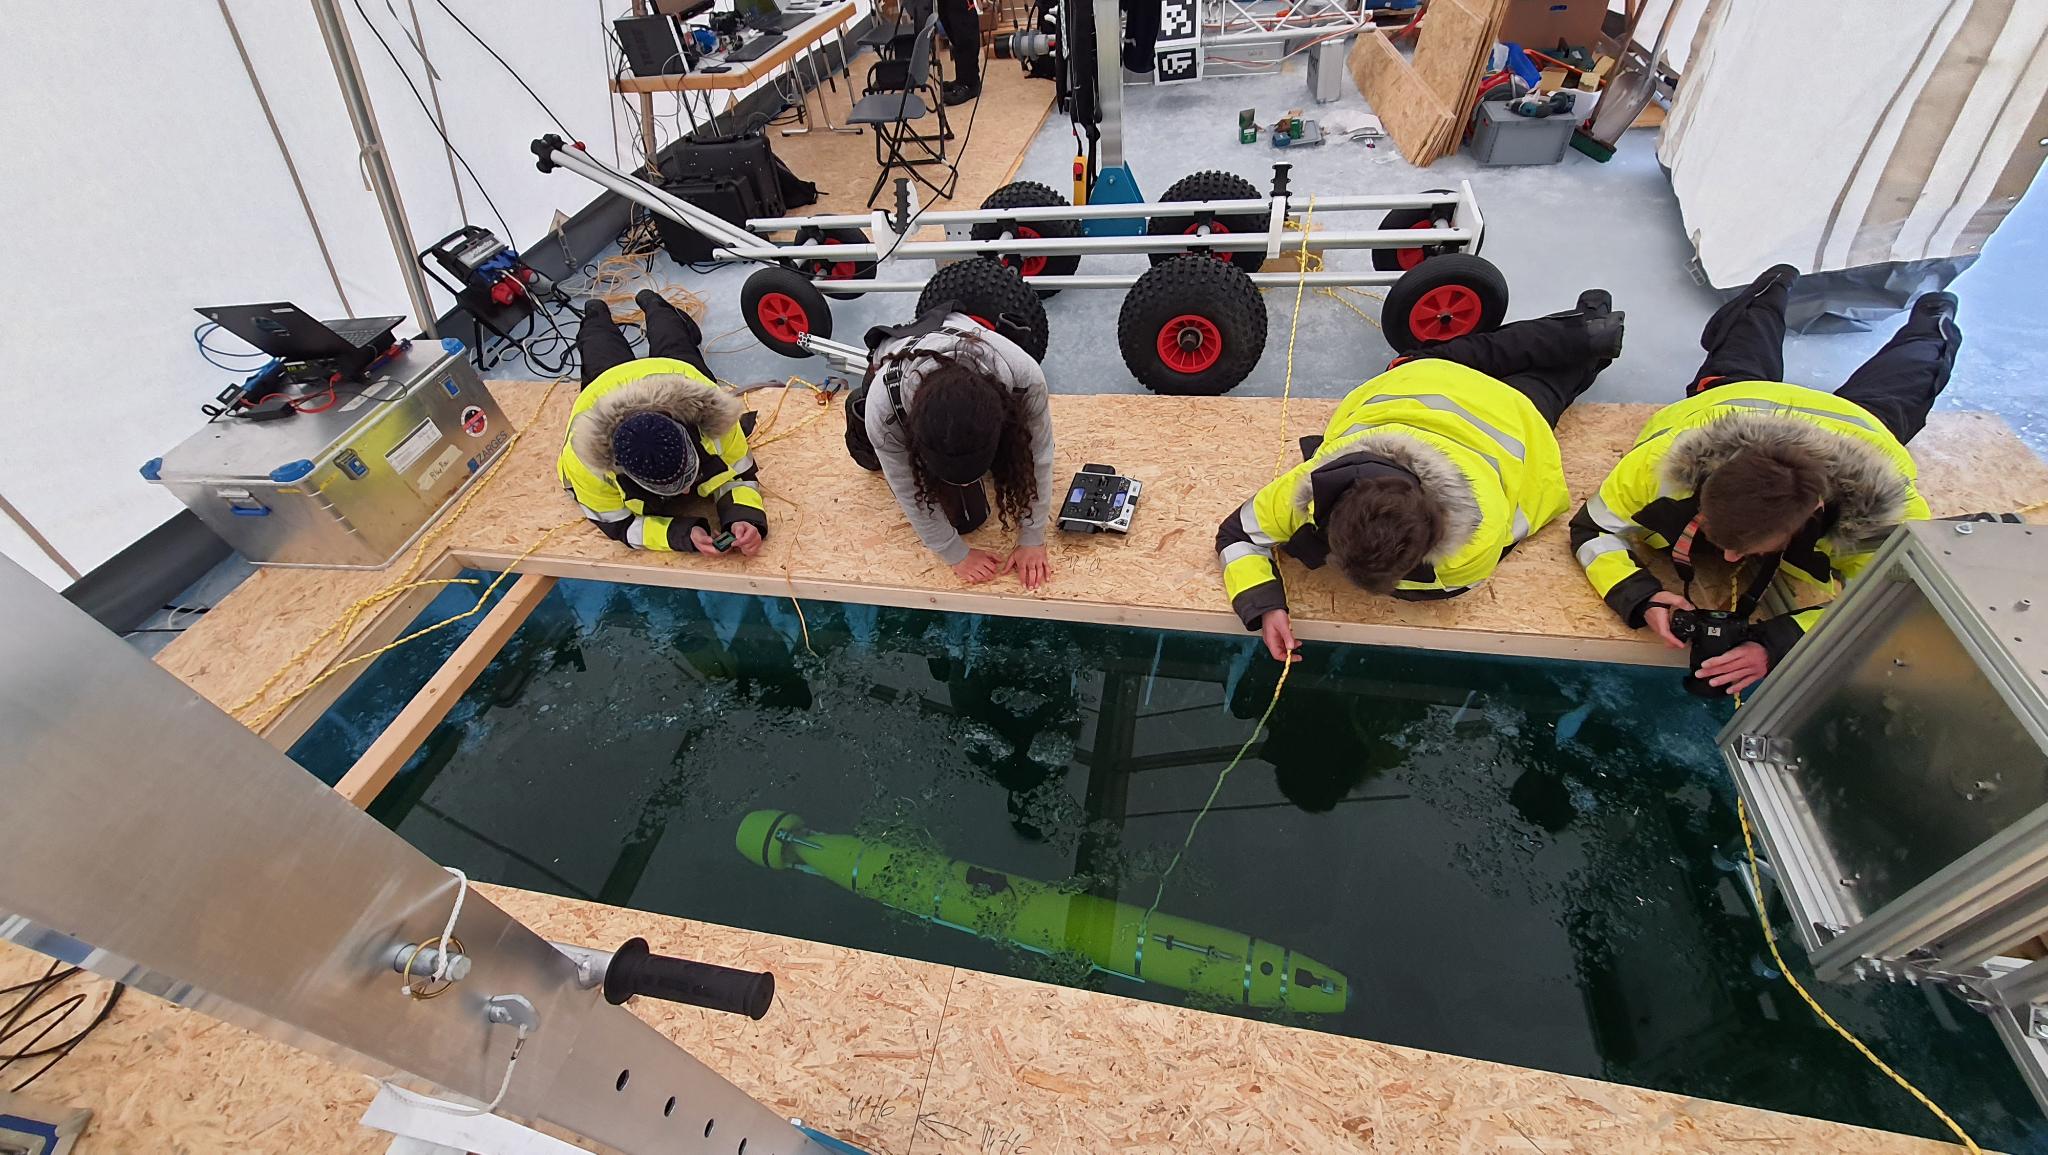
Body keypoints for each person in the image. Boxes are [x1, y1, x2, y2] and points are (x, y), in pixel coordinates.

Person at [1569, 264, 1960, 696]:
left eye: (1746, 546)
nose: (1731, 558)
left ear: (1811, 513)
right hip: (1738, 401)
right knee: (1741, 346)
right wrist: (1642, 597)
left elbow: (1896, 599)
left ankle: (1933, 319)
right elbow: (1592, 528)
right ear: (1706, 484)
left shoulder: (1881, 519)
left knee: (1911, 375)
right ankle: (1772, 288)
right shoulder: (1660, 467)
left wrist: (1776, 644)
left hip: (1860, 427)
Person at [1217, 292, 1626, 662]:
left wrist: (1270, 594)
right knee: (1503, 355)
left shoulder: (1469, 551)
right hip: (1424, 376)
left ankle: (1590, 334)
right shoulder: (1307, 489)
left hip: (1507, 410)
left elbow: (1241, 536)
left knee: (1550, 382)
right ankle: (1589, 331)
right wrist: (1264, 603)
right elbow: (1237, 536)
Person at [846, 305, 1056, 588]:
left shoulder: (1025, 377)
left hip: (966, 336)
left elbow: (1038, 457)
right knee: (868, 457)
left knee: (1005, 474)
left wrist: (1033, 538)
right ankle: (857, 416)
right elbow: (907, 487)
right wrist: (955, 554)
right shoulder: (883, 409)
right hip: (894, 358)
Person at [558, 290, 767, 555]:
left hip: (674, 373)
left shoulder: (714, 416)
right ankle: (595, 312)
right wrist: (680, 535)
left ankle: (653, 303)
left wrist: (744, 517)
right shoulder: (585, 465)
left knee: (674, 340)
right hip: (604, 385)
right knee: (597, 345)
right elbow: (617, 524)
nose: (687, 494)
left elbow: (740, 473)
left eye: (688, 478)